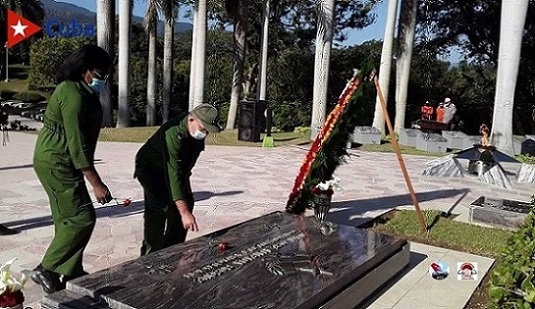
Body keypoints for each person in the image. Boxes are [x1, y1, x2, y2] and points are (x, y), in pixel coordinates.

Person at [30, 45, 114, 294]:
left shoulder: (85, 93)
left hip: (65, 160)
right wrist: (96, 182)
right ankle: (47, 268)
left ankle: (69, 271)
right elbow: (77, 144)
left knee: (66, 218)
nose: (103, 79)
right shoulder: (73, 95)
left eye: (106, 74)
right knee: (82, 218)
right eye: (100, 72)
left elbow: (83, 143)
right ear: (85, 69)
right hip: (56, 160)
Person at [134, 104, 222, 256]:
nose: (204, 133)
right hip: (150, 169)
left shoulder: (197, 134)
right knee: (160, 208)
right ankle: (149, 257)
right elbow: (173, 174)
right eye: (203, 128)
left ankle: (171, 251)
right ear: (191, 119)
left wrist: (185, 202)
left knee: (188, 202)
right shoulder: (173, 133)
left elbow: (184, 170)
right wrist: (184, 212)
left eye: (207, 130)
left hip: (172, 170)